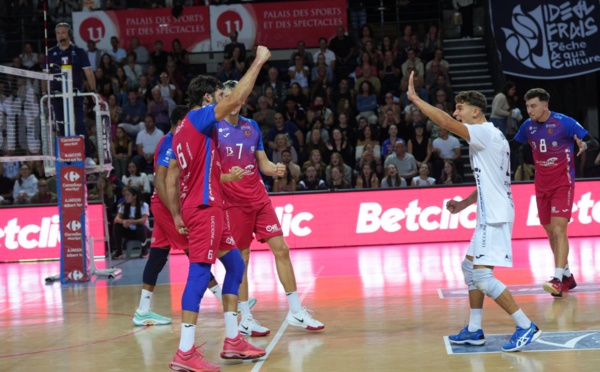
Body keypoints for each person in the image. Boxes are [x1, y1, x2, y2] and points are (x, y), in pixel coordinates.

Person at [407, 71, 541, 352]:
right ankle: (474, 329)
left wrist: (416, 99)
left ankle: (525, 325)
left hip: (494, 215)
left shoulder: (482, 132)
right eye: (454, 107)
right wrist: (464, 204)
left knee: (481, 276)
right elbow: (490, 181)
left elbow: (442, 121)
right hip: (489, 211)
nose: (455, 112)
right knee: (470, 267)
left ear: (476, 111)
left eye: (460, 107)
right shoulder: (488, 135)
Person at [165, 49, 272, 370]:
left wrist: (176, 214)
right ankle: (185, 352)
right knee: (199, 274)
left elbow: (172, 177)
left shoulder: (181, 130)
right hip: (206, 207)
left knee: (236, 267)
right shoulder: (198, 118)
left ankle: (233, 339)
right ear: (208, 98)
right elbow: (237, 101)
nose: (220, 102)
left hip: (203, 206)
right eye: (216, 97)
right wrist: (258, 62)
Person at [216, 80, 325, 336]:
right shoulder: (213, 129)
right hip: (233, 203)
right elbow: (208, 173)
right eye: (228, 96)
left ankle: (296, 310)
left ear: (242, 99)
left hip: (259, 198)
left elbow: (262, 163)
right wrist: (226, 178)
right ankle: (245, 317)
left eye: (238, 96)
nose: (234, 101)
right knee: (241, 259)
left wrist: (273, 169)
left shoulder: (251, 126)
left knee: (282, 249)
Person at [132, 106, 229, 327]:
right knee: (195, 251)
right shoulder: (170, 142)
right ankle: (226, 300)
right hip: (165, 206)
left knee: (157, 257)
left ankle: (143, 310)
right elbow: (160, 180)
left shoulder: (174, 140)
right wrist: (175, 213)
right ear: (180, 121)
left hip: (163, 204)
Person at [514, 88, 599, 297]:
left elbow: (594, 141)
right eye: (527, 106)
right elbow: (512, 145)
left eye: (533, 106)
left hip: (563, 183)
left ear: (545, 105)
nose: (529, 110)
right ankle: (567, 277)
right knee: (550, 232)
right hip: (541, 184)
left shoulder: (564, 122)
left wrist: (584, 145)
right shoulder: (527, 126)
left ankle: (558, 279)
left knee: (560, 230)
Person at [47, 23, 96, 164]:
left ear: (69, 34)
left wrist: (93, 92)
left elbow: (88, 72)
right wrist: (45, 93)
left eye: (63, 32)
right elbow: (45, 75)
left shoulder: (79, 52)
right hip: (57, 95)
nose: (61, 35)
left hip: (75, 94)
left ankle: (87, 155)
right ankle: (67, 157)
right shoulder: (50, 53)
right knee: (62, 126)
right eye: (58, 33)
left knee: (79, 124)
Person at [112, 186, 150, 259]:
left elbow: (143, 220)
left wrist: (131, 221)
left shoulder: (144, 205)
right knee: (116, 225)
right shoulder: (123, 206)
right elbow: (116, 219)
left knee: (140, 226)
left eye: (128, 195)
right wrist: (123, 221)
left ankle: (144, 251)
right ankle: (119, 252)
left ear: (134, 196)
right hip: (129, 231)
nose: (126, 197)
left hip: (142, 232)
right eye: (125, 195)